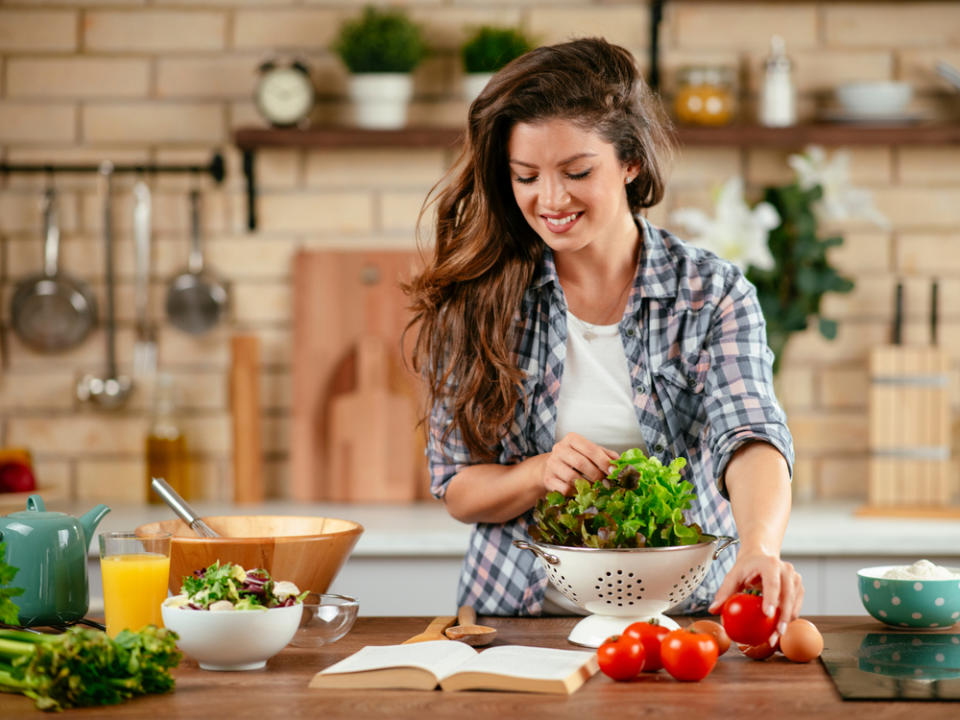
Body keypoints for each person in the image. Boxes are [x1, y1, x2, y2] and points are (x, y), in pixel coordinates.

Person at [404, 37, 802, 644]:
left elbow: (748, 434)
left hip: (685, 621)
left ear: (630, 162)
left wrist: (761, 546)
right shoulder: (478, 297)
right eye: (526, 176)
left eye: (577, 171)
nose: (551, 199)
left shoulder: (712, 294)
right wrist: (539, 472)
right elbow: (460, 486)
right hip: (514, 624)